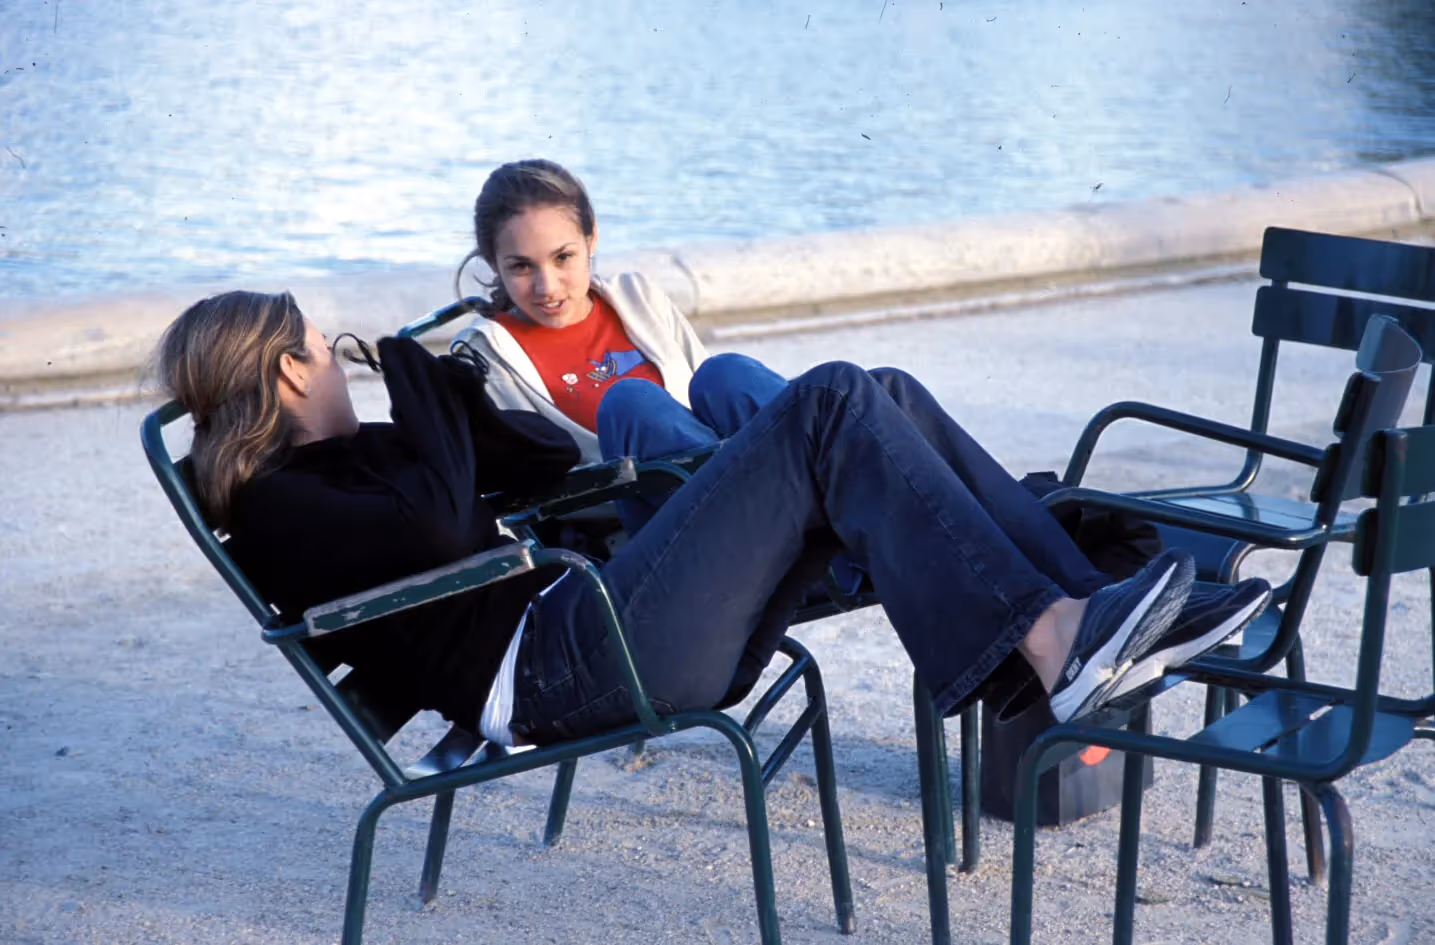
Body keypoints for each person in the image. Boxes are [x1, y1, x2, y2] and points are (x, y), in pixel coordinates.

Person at [155, 290, 1271, 749]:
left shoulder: (352, 458)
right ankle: (1057, 639)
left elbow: (542, 461)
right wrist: (407, 375)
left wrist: (459, 383)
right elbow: (438, 525)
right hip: (563, 665)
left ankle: (1068, 621)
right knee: (826, 399)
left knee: (871, 389)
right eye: (320, 348)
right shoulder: (275, 504)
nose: (337, 362)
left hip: (592, 616)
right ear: (290, 370)